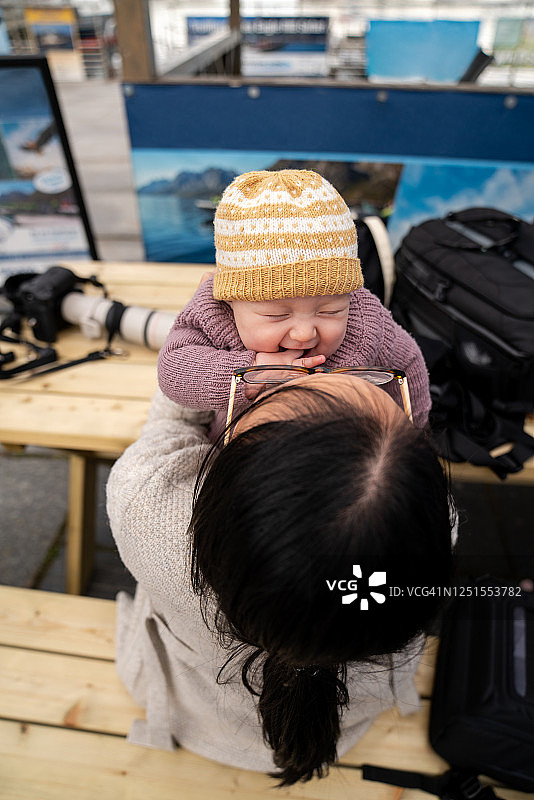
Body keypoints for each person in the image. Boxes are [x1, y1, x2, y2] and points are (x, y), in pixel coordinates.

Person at [106, 372, 455, 785]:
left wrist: (215, 363)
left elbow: (172, 417)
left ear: (224, 480)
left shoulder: (145, 500)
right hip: (355, 724)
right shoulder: (435, 524)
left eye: (266, 389)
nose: (317, 361)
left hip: (181, 708)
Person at [157, 169, 431, 434]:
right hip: (240, 456)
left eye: (329, 311)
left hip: (344, 456)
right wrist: (249, 376)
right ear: (230, 300)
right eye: (277, 316)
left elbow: (408, 364)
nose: (304, 333)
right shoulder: (213, 311)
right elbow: (173, 371)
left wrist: (411, 435)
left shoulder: (367, 318)